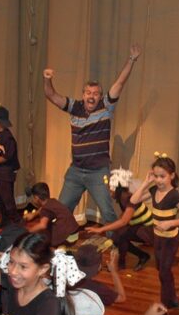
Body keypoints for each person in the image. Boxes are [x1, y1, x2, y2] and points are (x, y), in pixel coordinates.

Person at [43, 44, 142, 225]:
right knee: (62, 210)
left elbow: (119, 83)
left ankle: (116, 245)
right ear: (83, 94)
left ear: (100, 96)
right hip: (75, 171)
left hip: (98, 172)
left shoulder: (106, 107)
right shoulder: (74, 107)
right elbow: (51, 95)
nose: (91, 96)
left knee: (107, 212)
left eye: (95, 94)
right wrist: (47, 79)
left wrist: (132, 60)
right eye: (88, 93)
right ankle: (58, 243)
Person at [130, 155, 179, 309]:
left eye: (162, 176)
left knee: (164, 272)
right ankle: (171, 297)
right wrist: (146, 182)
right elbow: (133, 200)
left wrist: (170, 222)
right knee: (162, 271)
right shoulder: (153, 190)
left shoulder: (174, 195)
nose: (159, 180)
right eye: (156, 176)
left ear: (172, 176)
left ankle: (166, 303)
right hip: (157, 238)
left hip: (170, 240)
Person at [86, 167, 152, 270]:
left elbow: (124, 221)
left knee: (121, 235)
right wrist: (111, 227)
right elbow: (124, 216)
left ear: (117, 188)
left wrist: (101, 229)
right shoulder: (122, 197)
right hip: (138, 225)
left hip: (148, 230)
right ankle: (141, 256)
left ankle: (120, 264)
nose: (110, 193)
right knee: (116, 236)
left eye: (111, 190)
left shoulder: (128, 198)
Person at [24, 182, 81, 247]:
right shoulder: (52, 201)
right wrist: (34, 214)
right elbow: (42, 209)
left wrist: (28, 231)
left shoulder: (45, 209)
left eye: (33, 197)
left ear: (36, 198)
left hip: (68, 237)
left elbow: (42, 225)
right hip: (75, 231)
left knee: (43, 236)